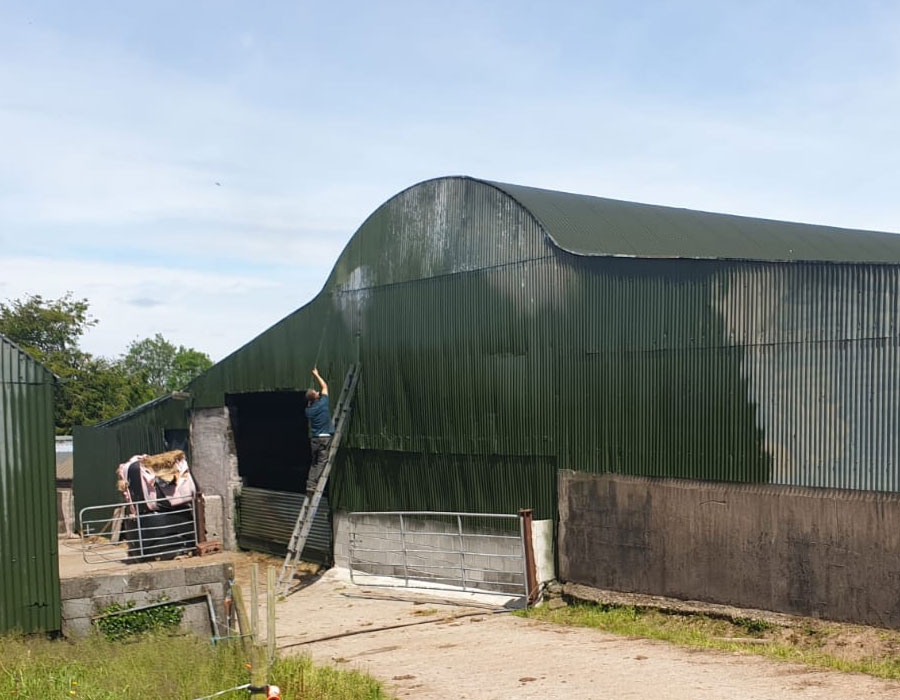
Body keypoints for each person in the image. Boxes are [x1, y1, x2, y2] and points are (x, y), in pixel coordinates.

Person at [304, 367, 335, 498]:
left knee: (314, 463)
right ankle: (314, 484)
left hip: (314, 439)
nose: (318, 392)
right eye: (316, 392)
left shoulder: (308, 411)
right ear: (316, 397)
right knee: (322, 462)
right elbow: (324, 386)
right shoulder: (323, 403)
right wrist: (316, 374)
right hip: (324, 439)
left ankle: (310, 484)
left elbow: (317, 393)